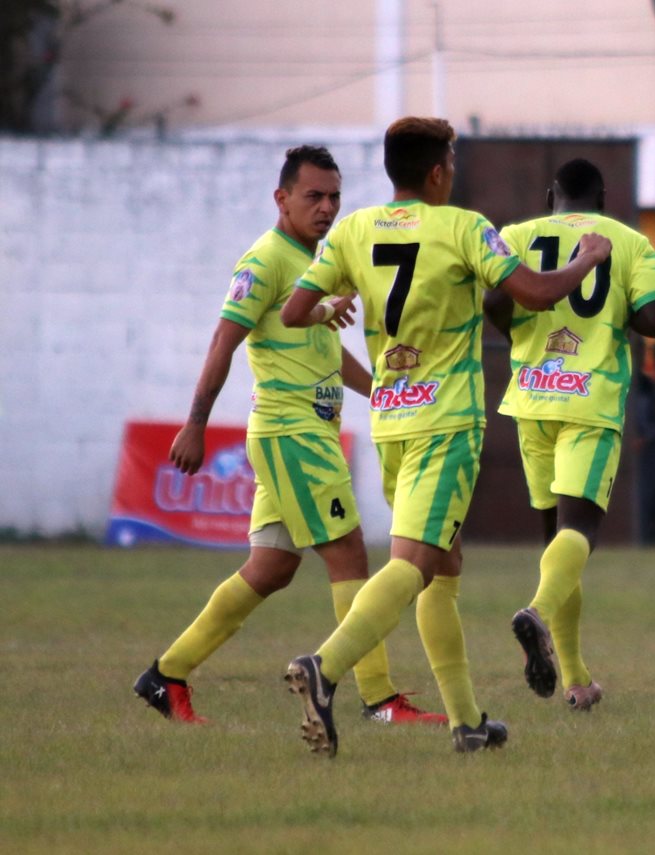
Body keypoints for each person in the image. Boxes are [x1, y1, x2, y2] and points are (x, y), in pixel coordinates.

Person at [278, 117, 613, 757]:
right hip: (446, 424)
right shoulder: (463, 226)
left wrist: (331, 307)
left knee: (443, 568)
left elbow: (296, 312)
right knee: (415, 565)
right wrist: (587, 259)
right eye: (451, 163)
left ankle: (467, 723)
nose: (452, 173)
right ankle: (325, 666)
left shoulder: (352, 230)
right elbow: (536, 295)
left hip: (392, 421)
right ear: (437, 172)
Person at [133, 145, 445, 728]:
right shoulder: (266, 260)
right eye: (313, 196)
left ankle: (166, 675)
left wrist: (381, 389)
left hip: (305, 432)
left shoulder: (316, 261)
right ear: (282, 199)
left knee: (272, 568)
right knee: (349, 552)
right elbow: (223, 342)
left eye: (334, 197)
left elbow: (329, 355)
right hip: (291, 431)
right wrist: (196, 422)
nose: (326, 207)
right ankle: (379, 700)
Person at [482, 159, 655, 711]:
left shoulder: (516, 235)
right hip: (589, 401)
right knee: (579, 532)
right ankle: (536, 614)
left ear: (550, 196)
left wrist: (524, 325)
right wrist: (617, 301)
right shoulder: (626, 240)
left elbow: (494, 303)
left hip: (531, 398)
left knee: (556, 543)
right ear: (604, 198)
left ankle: (575, 679)